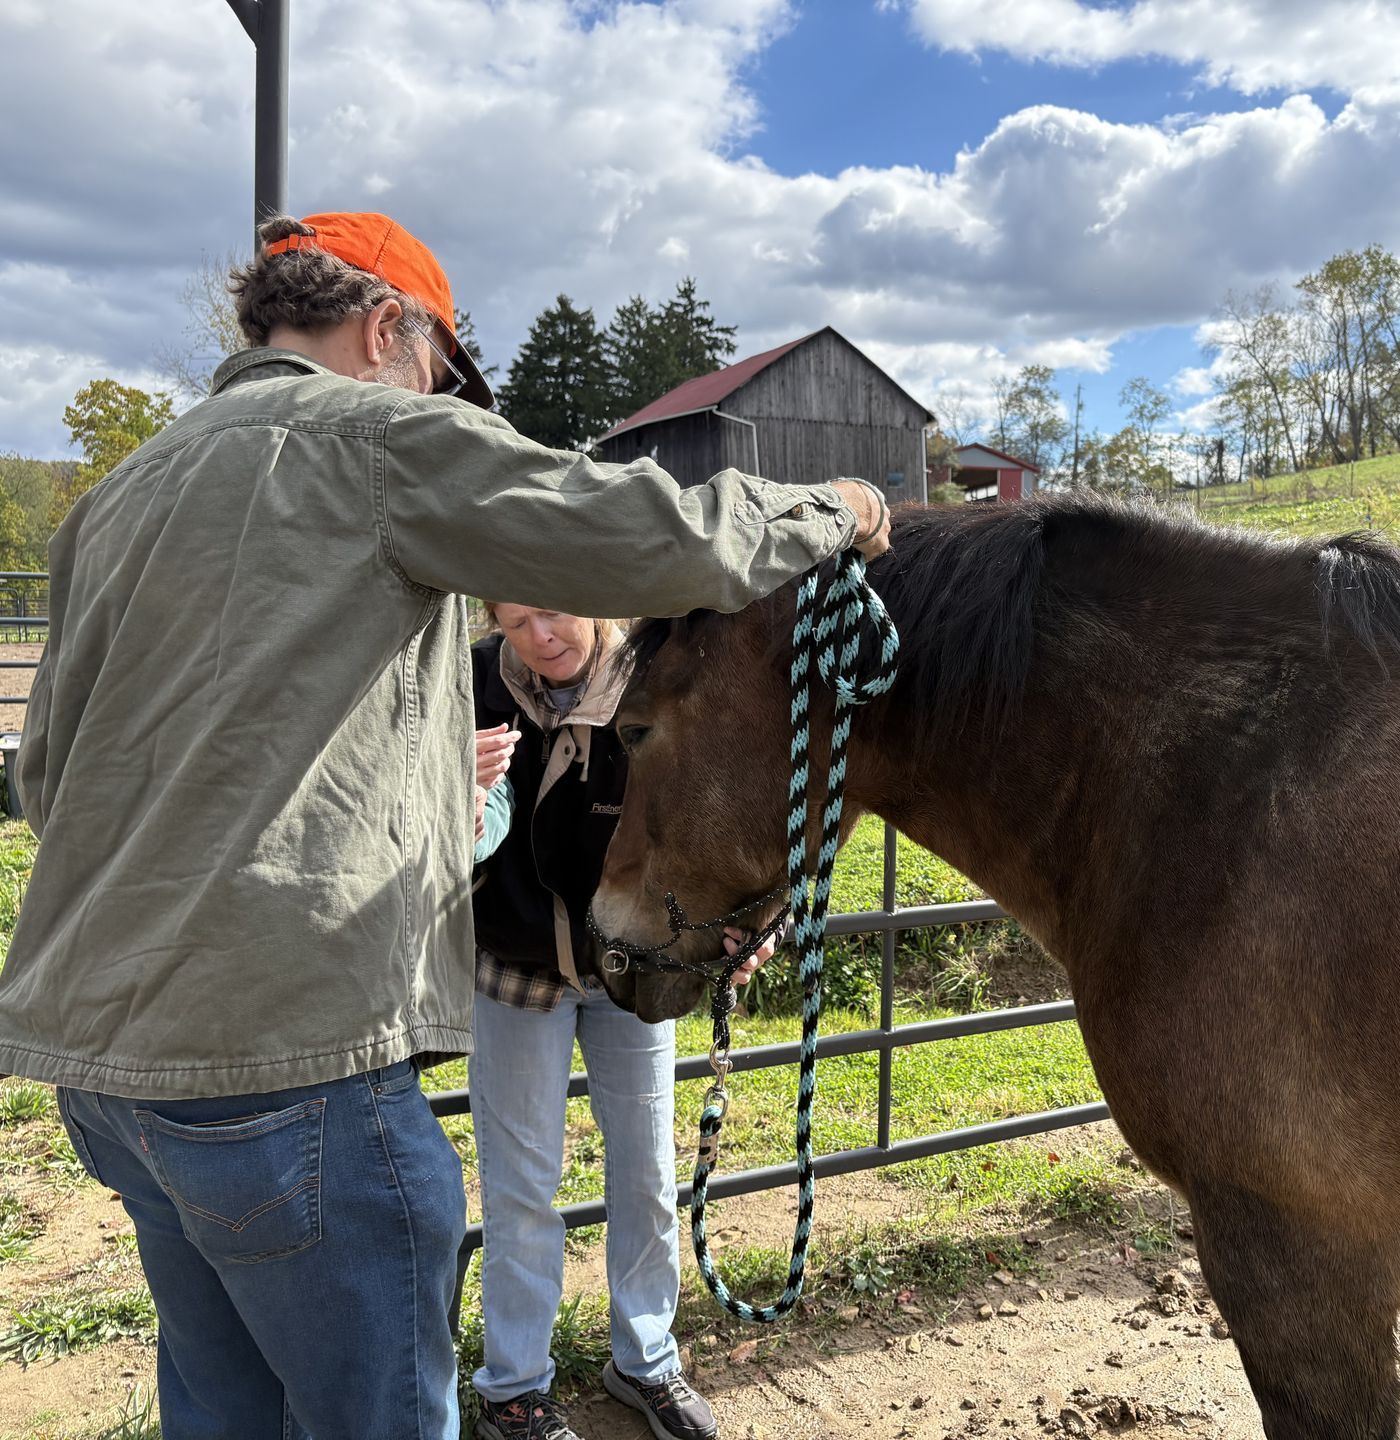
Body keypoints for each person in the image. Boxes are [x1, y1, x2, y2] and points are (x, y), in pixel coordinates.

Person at [0, 210, 889, 1440]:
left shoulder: (113, 499)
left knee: (222, 1409)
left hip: (105, 1070)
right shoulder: (378, 439)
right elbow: (647, 534)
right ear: (386, 330)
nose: (449, 402)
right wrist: (832, 506)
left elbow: (44, 775)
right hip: (288, 1060)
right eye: (448, 375)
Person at [465, 605, 763, 1440]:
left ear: (592, 601)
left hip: (635, 968)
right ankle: (514, 1387)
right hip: (516, 968)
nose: (540, 639)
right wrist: (454, 785)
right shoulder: (474, 686)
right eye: (516, 621)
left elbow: (718, 814)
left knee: (645, 1173)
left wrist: (741, 927)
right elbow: (419, 830)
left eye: (552, 613)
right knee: (521, 1185)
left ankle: (645, 1358)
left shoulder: (653, 679)